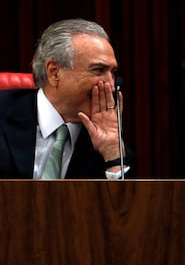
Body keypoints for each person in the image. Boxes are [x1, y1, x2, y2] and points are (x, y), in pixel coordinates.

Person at [0, 18, 134, 179]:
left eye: (112, 73)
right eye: (98, 70)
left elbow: (123, 204)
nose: (111, 85)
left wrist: (112, 151)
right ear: (54, 72)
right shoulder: (4, 113)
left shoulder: (108, 144)